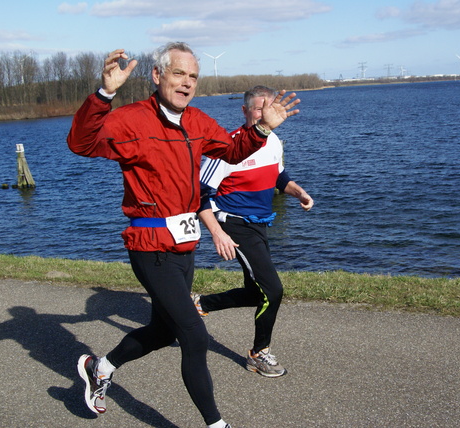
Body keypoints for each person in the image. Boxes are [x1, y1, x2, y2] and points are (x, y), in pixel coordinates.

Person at [67, 43, 300, 428]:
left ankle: (100, 367)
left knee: (162, 331)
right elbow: (81, 143)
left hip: (184, 246)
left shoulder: (198, 121)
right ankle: (216, 424)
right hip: (149, 246)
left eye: (193, 76)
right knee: (193, 334)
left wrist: (261, 128)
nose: (187, 83)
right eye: (179, 74)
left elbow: (233, 149)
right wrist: (104, 94)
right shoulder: (131, 120)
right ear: (157, 76)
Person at [194, 85, 313, 378]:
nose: (265, 114)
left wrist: (297, 192)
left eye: (269, 107)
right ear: (245, 111)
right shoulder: (227, 147)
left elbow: (278, 175)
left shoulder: (274, 142)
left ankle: (202, 303)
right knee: (272, 290)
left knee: (255, 291)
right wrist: (217, 232)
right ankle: (259, 354)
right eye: (258, 108)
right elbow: (197, 194)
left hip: (259, 223)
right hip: (233, 224)